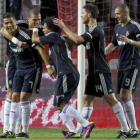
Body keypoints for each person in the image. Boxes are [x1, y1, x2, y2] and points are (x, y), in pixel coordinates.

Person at [53, 3, 138, 139]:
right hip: (93, 72)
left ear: (89, 14)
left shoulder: (96, 30)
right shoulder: (91, 31)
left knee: (111, 99)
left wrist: (63, 27)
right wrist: (66, 38)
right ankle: (79, 131)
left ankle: (126, 129)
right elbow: (76, 41)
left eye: (82, 13)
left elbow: (78, 39)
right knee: (86, 100)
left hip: (100, 70)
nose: (80, 16)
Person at [32, 16, 94, 139]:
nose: (42, 29)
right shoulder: (56, 39)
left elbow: (35, 40)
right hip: (67, 73)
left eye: (44, 27)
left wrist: (34, 29)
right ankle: (72, 130)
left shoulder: (54, 35)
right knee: (58, 105)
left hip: (67, 73)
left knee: (60, 104)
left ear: (50, 28)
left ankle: (86, 124)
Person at [0, 13, 55, 138]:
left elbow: (41, 48)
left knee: (23, 96)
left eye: (39, 20)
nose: (36, 23)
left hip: (32, 68)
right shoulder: (13, 30)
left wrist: (49, 66)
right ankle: (10, 130)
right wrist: (16, 41)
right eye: (34, 20)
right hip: (18, 67)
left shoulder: (30, 33)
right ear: (27, 19)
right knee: (13, 95)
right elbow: (2, 30)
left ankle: (24, 130)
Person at [105, 3, 140, 137]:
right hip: (122, 66)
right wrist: (100, 54)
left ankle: (133, 129)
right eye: (116, 14)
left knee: (124, 95)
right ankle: (131, 130)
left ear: (126, 13)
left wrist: (130, 41)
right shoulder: (118, 27)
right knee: (125, 96)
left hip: (133, 65)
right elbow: (113, 45)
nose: (116, 16)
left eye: (118, 13)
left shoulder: (135, 27)